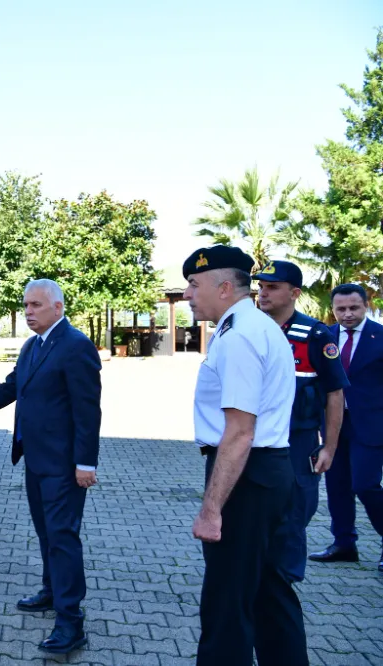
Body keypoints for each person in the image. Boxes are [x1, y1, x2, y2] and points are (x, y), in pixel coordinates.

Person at [0, 278, 101, 655]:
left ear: (58, 308)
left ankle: (71, 622)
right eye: (26, 305)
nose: (28, 312)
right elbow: (9, 389)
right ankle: (52, 591)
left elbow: (87, 410)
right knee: (48, 534)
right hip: (35, 458)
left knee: (63, 537)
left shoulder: (76, 346)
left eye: (36, 305)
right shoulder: (33, 345)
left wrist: (85, 463)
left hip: (65, 465)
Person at [182, 246, 307, 665]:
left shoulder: (239, 336)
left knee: (227, 602)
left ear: (222, 287)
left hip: (245, 476)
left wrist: (211, 509)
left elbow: (239, 432)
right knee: (270, 595)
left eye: (194, 284)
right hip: (267, 471)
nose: (186, 295)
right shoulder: (255, 325)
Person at [255, 261, 347, 582]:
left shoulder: (316, 335)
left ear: (294, 293)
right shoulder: (251, 330)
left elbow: (335, 395)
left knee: (293, 519)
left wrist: (329, 448)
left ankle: (283, 588)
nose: (263, 293)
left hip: (298, 445)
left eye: (272, 287)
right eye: (261, 286)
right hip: (255, 443)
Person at [310, 283, 383, 572]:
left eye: (354, 307)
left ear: (366, 305)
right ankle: (344, 544)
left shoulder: (380, 337)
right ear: (334, 309)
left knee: (365, 484)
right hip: (333, 424)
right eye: (341, 309)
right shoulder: (325, 337)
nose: (347, 314)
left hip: (372, 425)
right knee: (337, 485)